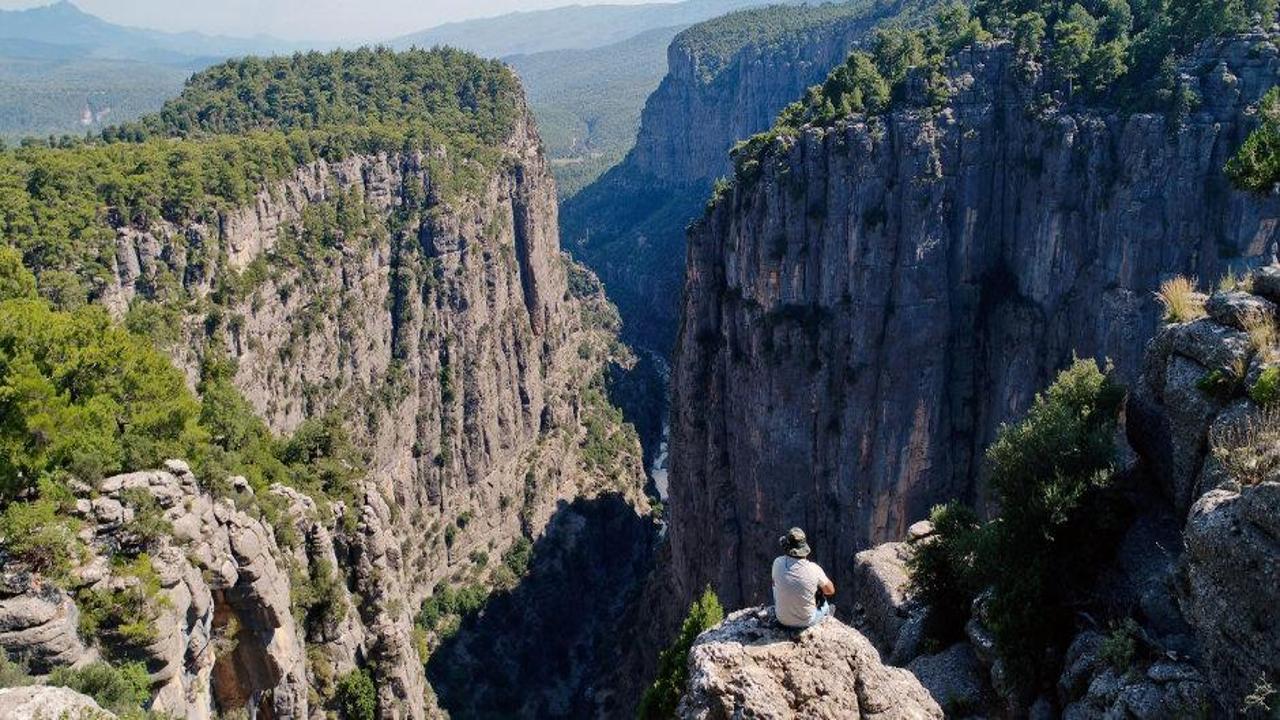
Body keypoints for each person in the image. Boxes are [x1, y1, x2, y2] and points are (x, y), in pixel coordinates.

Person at [771, 527, 836, 628]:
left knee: (776, 585)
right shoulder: (814, 569)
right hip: (807, 621)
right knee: (826, 605)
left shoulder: (777, 562)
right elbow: (830, 591)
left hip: (782, 619)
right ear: (804, 549)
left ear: (786, 548)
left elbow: (774, 584)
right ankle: (826, 615)